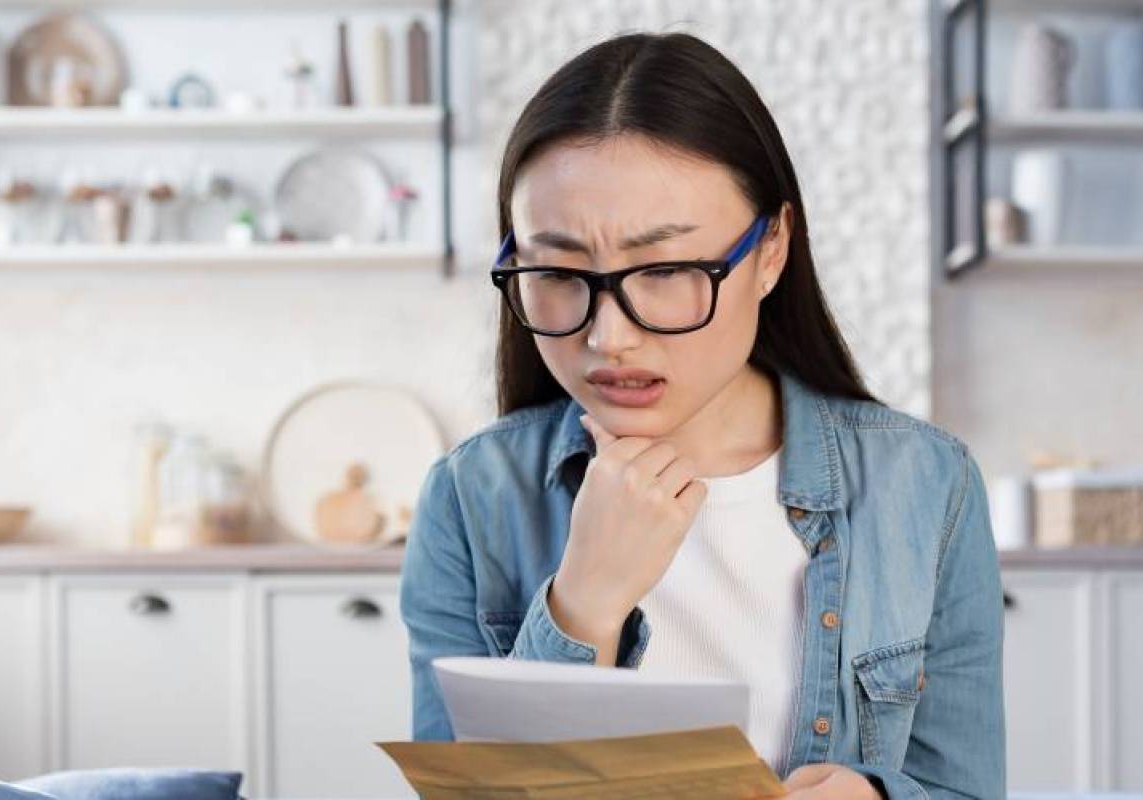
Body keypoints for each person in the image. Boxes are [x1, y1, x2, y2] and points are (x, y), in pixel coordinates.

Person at [400, 31, 1005, 800]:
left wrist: (879, 797)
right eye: (555, 271)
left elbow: (967, 788)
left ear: (774, 248)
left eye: (667, 270)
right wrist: (583, 602)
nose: (607, 337)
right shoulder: (470, 496)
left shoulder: (925, 484)